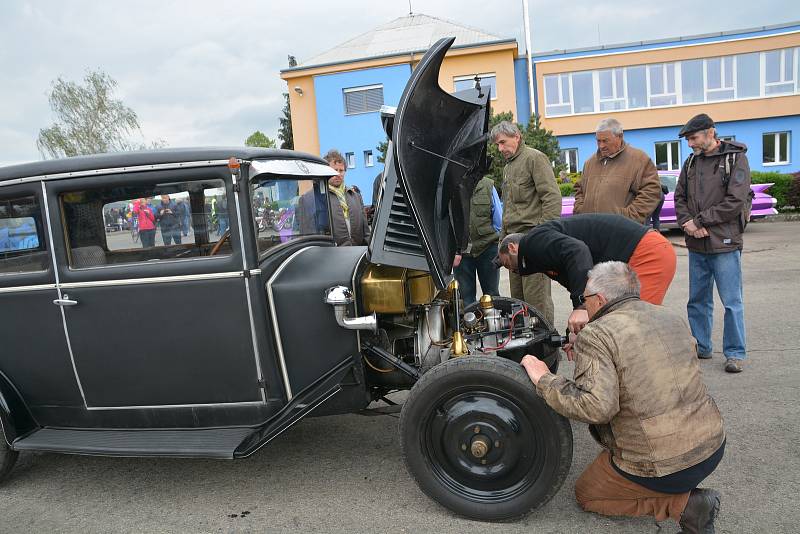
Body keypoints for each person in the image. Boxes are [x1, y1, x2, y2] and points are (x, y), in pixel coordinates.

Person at [520, 262, 725, 534]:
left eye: (585, 299)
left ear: (600, 300)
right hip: (712, 445)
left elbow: (596, 408)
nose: (584, 305)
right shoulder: (667, 315)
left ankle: (687, 505)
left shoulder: (597, 334)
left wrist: (544, 378)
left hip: (665, 463)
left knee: (587, 494)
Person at [495, 213, 676, 333]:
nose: (511, 270)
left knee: (634, 330)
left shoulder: (534, 242)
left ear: (513, 247)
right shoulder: (543, 257)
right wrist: (576, 332)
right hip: (636, 254)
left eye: (507, 263)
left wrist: (580, 308)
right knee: (614, 326)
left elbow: (578, 250)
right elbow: (584, 288)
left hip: (648, 253)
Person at [674, 113, 751, 373]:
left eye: (693, 138)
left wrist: (701, 222)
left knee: (731, 301)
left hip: (725, 243)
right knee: (697, 300)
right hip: (697, 244)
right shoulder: (690, 163)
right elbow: (679, 197)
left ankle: (735, 354)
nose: (690, 143)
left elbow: (735, 201)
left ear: (710, 133)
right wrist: (688, 224)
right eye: (687, 139)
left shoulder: (735, 158)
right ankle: (701, 346)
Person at [491, 121, 561, 325]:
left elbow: (552, 198)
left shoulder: (534, 158)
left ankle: (547, 349)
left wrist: (541, 237)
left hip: (531, 241)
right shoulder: (509, 167)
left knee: (537, 301)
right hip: (513, 246)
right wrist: (502, 243)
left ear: (517, 137)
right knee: (519, 302)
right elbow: (509, 211)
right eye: (497, 145)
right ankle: (528, 348)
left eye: (503, 142)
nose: (500, 148)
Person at [574, 118, 662, 223]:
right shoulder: (590, 163)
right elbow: (580, 190)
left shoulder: (639, 160)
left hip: (624, 231)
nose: (601, 146)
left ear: (620, 136)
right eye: (598, 141)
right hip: (591, 230)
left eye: (605, 141)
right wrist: (581, 210)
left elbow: (651, 192)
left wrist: (627, 218)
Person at [453, 176, 503, 305]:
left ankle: (493, 323)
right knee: (465, 298)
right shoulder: (451, 184)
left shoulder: (488, 185)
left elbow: (498, 219)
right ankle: (470, 324)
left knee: (492, 295)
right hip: (461, 252)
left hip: (488, 249)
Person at [322, 149, 370, 246]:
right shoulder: (319, 198)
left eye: (341, 170)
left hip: (356, 253)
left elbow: (366, 231)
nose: (338, 174)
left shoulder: (355, 195)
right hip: (333, 255)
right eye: (334, 170)